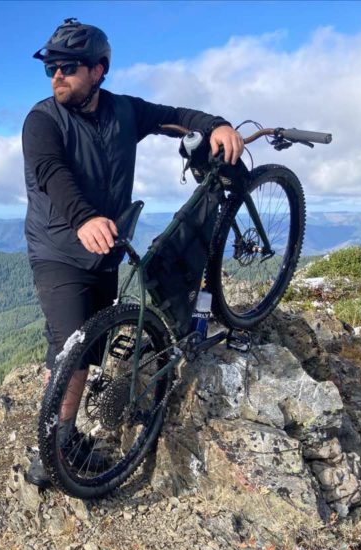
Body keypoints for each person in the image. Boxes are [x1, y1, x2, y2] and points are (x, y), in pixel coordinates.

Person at [22, 18, 244, 488]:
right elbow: (49, 172)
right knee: (71, 352)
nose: (57, 76)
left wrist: (217, 125)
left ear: (98, 70)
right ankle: (54, 453)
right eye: (51, 69)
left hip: (106, 250)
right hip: (58, 251)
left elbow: (174, 116)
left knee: (94, 346)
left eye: (68, 67)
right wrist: (83, 218)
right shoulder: (42, 120)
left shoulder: (124, 111)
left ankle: (64, 432)